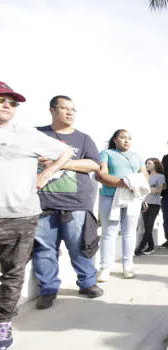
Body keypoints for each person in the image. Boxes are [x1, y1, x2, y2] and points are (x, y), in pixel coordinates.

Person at [0, 82, 73, 349]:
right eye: (1, 100)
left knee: (13, 273)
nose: (7, 105)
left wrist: (45, 174)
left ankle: (3, 324)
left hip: (20, 217)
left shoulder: (27, 134)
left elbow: (65, 152)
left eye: (12, 102)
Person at [32, 95, 104, 311]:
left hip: (76, 203)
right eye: (65, 108)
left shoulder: (83, 139)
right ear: (52, 110)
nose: (70, 113)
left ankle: (87, 282)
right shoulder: (36, 135)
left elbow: (94, 164)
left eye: (73, 109)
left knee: (80, 246)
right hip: (42, 202)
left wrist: (63, 163)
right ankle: (48, 289)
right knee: (44, 249)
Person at [96, 129, 148, 281]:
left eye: (129, 138)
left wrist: (133, 183)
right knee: (108, 231)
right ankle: (105, 268)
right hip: (110, 196)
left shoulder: (136, 156)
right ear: (115, 139)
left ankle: (128, 265)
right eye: (123, 137)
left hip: (132, 197)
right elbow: (102, 174)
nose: (126, 141)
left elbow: (144, 174)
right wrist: (122, 183)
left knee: (129, 232)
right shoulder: (106, 153)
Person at [135, 158, 165, 256]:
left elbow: (159, 190)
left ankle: (140, 247)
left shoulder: (160, 176)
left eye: (149, 163)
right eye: (146, 163)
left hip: (154, 203)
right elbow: (139, 190)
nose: (147, 165)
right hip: (143, 203)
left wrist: (147, 189)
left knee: (150, 224)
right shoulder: (144, 176)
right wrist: (150, 189)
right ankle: (151, 245)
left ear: (155, 164)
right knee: (147, 226)